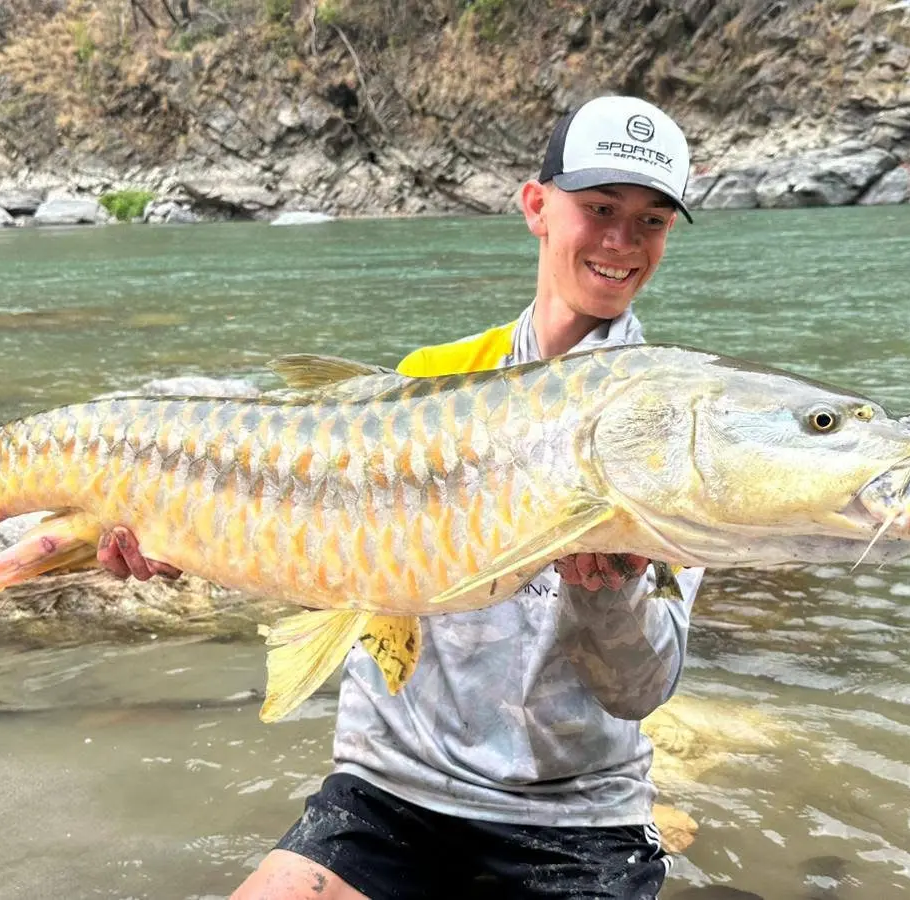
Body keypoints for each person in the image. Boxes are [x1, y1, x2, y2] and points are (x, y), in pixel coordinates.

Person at [98, 95, 705, 900]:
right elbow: (309, 540)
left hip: (578, 818)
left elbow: (637, 691)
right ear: (536, 206)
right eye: (599, 208)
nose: (622, 242)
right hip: (390, 792)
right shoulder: (430, 380)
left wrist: (616, 587)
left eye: (653, 221)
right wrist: (172, 538)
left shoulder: (671, 420)